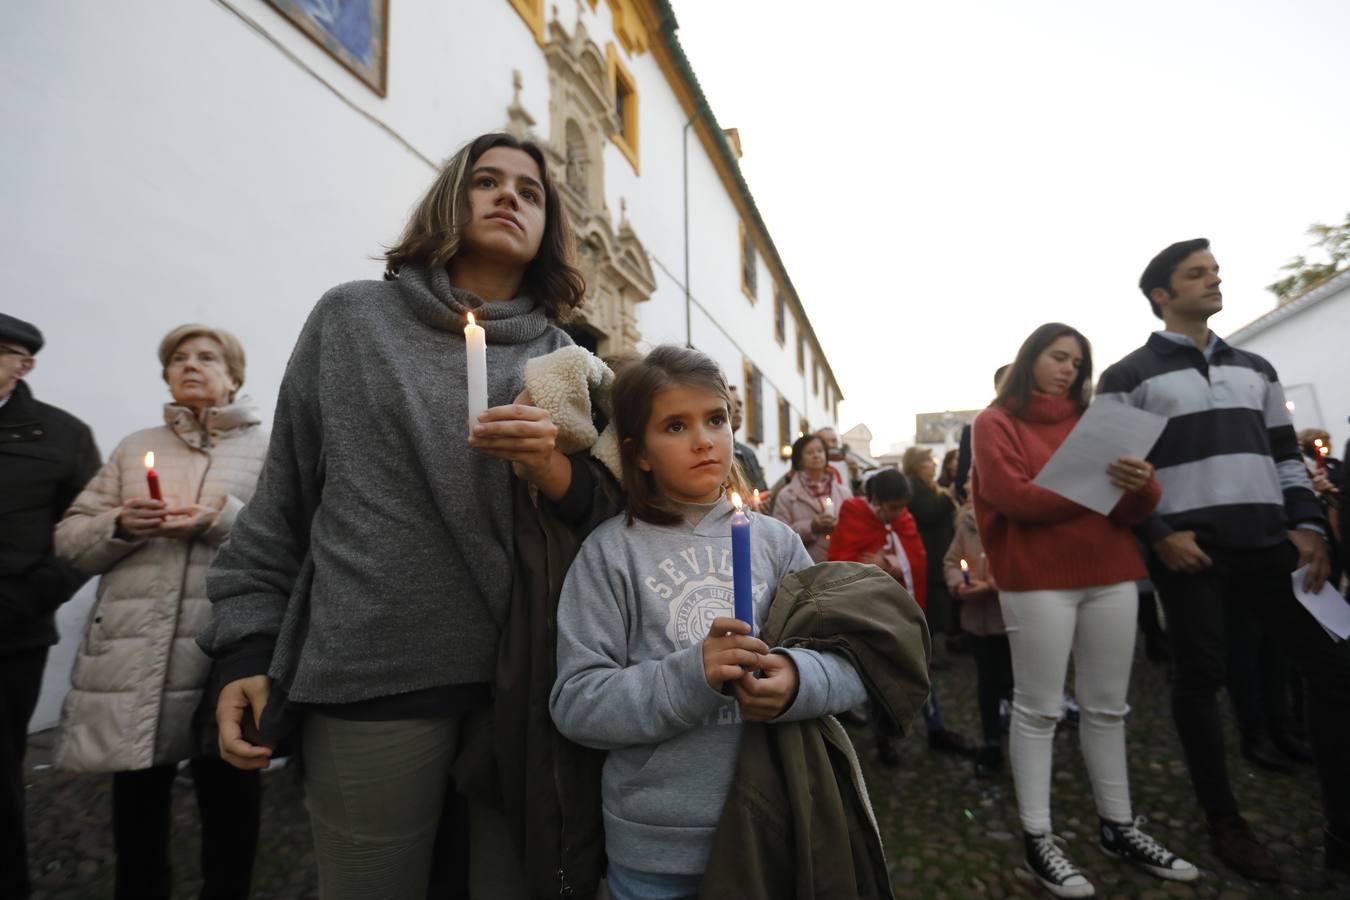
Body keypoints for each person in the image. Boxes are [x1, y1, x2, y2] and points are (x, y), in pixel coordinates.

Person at [200, 132, 590, 899]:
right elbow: (284, 497)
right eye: (487, 180)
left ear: (549, 228)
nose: (509, 195)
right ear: (453, 198)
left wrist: (553, 470)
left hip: (519, 684)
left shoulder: (561, 355)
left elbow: (597, 520)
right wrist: (244, 646)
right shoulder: (352, 321)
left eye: (531, 190)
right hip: (373, 671)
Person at [549, 344, 867, 898]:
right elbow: (577, 702)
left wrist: (796, 680)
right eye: (675, 425)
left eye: (715, 419)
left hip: (775, 819)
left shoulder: (777, 543)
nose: (704, 440)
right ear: (638, 453)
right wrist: (689, 675)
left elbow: (848, 663)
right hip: (657, 847)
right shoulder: (610, 554)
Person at [1097, 238, 1350, 883]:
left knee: (1332, 665)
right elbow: (1108, 478)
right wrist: (1157, 533)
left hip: (1271, 543)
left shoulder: (1257, 369)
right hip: (1189, 551)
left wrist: (1307, 525)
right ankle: (1225, 821)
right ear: (1162, 294)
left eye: (1214, 271)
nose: (1214, 280)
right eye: (1197, 273)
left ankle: (1341, 826)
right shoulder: (1126, 377)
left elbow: (1285, 456)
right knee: (1199, 680)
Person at [973, 322, 1197, 897]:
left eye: (1078, 360)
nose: (1070, 368)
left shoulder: (1093, 424)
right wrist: (1095, 486)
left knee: (1107, 708)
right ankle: (1038, 835)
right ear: (1031, 359)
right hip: (1038, 579)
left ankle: (1118, 826)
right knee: (1039, 709)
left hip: (1112, 573)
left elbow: (1130, 509)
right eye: (1059, 356)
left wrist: (1140, 484)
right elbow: (1012, 497)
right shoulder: (994, 422)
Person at [53, 324, 267, 900]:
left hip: (221, 652)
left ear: (235, 375)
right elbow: (71, 539)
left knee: (230, 802)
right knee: (136, 809)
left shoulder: (267, 448)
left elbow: (291, 540)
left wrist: (219, 520)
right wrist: (118, 525)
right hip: (134, 656)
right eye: (178, 359)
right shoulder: (133, 447)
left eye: (206, 357)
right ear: (166, 375)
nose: (190, 366)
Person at [0, 314, 100, 900]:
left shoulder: (61, 437)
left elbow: (84, 539)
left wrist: (23, 597)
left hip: (9, 634)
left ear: (23, 364)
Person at [829, 468, 973, 765]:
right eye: (892, 508)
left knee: (920, 668)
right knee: (878, 674)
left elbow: (916, 559)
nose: (898, 514)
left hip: (904, 609)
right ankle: (884, 737)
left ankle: (936, 727)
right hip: (869, 612)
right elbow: (840, 561)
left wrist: (892, 563)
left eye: (902, 507)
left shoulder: (903, 518)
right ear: (875, 500)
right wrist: (870, 565)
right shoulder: (853, 513)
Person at [943, 494, 1011, 777]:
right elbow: (950, 561)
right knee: (986, 683)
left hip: (1007, 620)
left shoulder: (1011, 521)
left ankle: (1020, 739)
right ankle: (991, 741)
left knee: (1012, 682)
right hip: (977, 621)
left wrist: (993, 585)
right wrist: (960, 585)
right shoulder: (967, 526)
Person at [903, 446, 960, 657]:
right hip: (930, 550)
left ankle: (943, 644)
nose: (934, 464)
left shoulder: (927, 485)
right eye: (928, 461)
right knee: (935, 602)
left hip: (939, 548)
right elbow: (928, 513)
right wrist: (948, 498)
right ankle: (936, 650)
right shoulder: (913, 486)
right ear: (917, 465)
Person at [772, 432, 850, 563]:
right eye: (809, 452)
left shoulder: (843, 492)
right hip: (807, 567)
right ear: (799, 460)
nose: (816, 455)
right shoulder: (787, 495)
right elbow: (779, 535)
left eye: (820, 451)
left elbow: (854, 525)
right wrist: (811, 526)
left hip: (842, 563)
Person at [728, 385, 768, 493]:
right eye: (731, 403)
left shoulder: (749, 453)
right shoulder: (712, 452)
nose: (737, 409)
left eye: (740, 404)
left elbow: (763, 492)